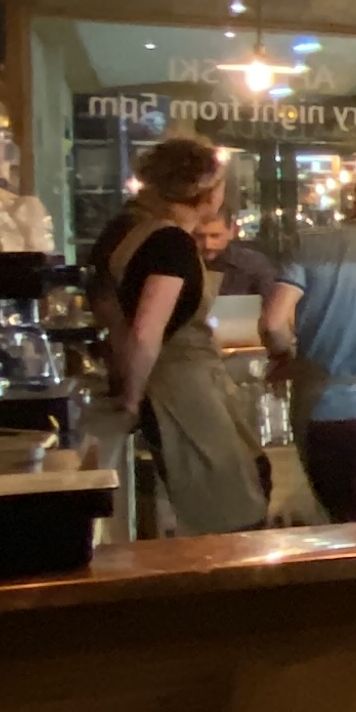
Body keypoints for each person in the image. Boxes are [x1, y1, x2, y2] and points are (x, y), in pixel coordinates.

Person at [95, 135, 269, 535]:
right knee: (232, 511)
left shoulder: (125, 229)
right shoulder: (169, 243)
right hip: (181, 392)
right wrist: (132, 398)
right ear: (207, 191)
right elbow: (146, 332)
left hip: (164, 385)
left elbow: (111, 314)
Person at [264, 158, 356, 522]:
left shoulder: (308, 245)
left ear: (354, 198)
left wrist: (288, 357)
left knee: (339, 529)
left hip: (315, 415)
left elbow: (272, 323)